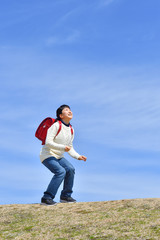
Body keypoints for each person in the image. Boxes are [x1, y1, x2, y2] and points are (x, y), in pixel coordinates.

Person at [40, 104, 87, 205]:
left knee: (70, 169)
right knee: (60, 171)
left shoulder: (71, 129)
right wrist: (62, 148)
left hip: (59, 156)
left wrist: (78, 156)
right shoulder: (56, 126)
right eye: (66, 110)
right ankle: (47, 197)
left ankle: (66, 196)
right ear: (61, 115)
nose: (70, 111)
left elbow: (69, 147)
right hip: (47, 154)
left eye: (70, 110)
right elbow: (48, 142)